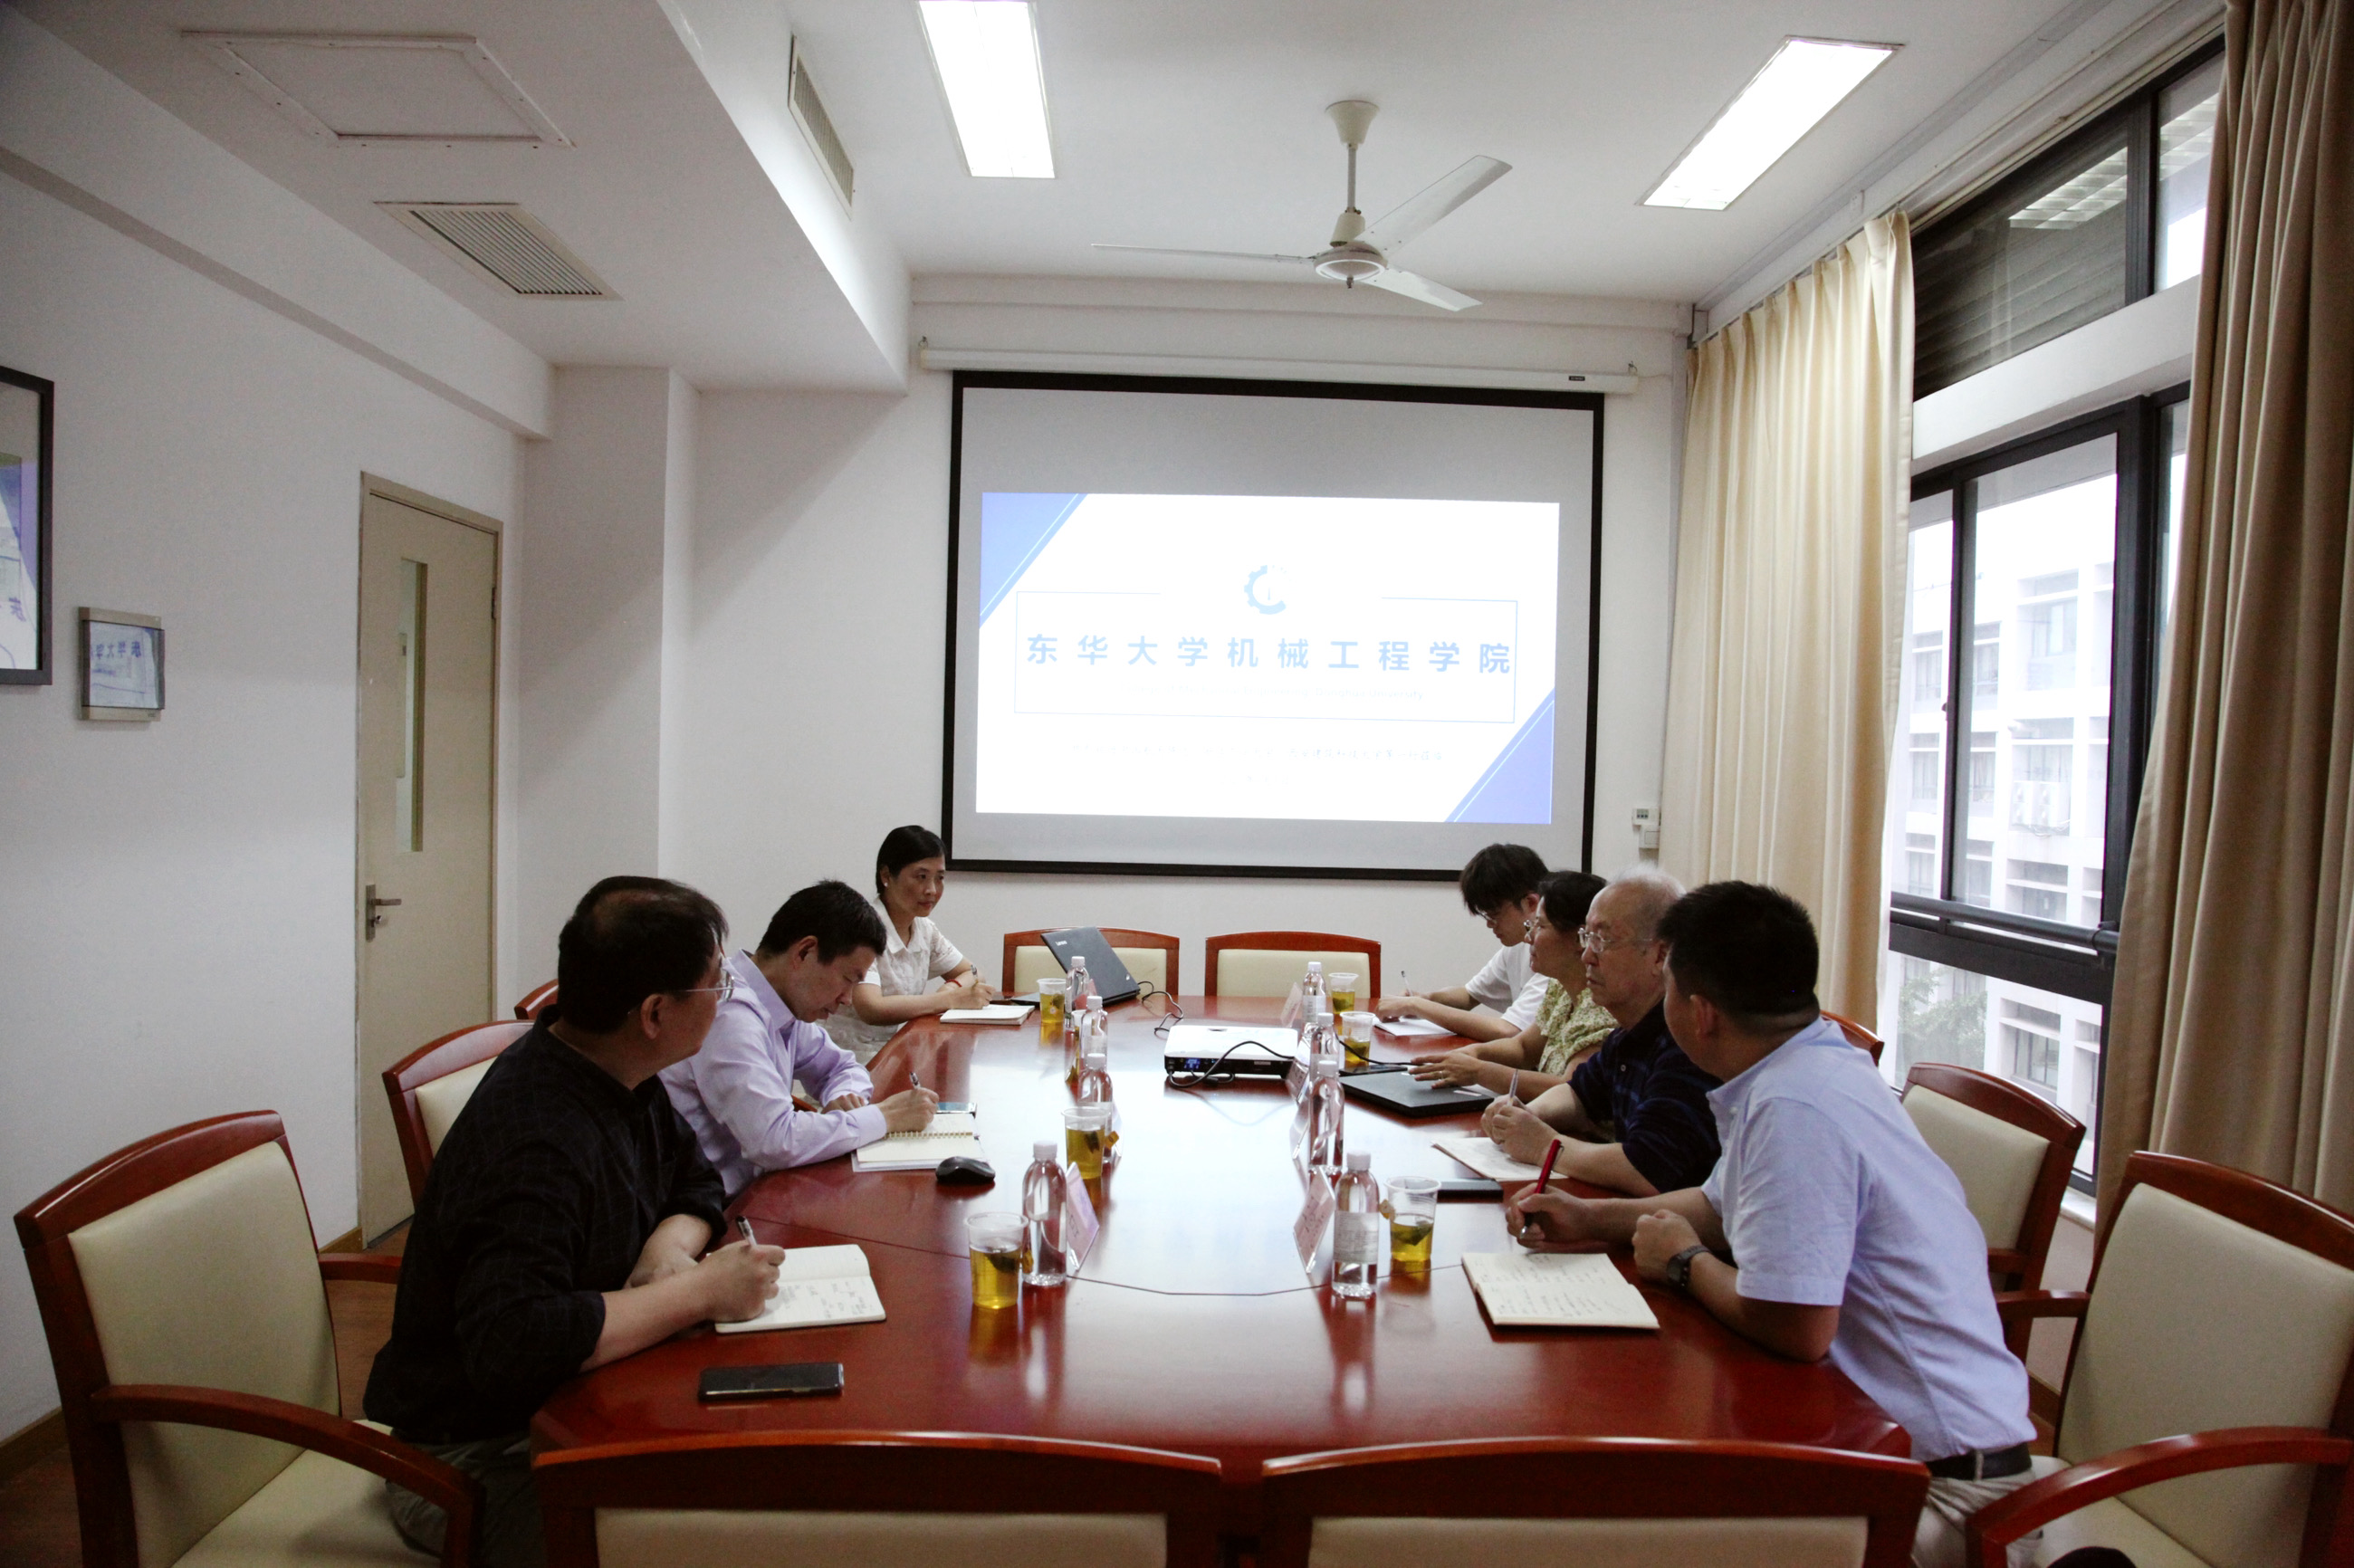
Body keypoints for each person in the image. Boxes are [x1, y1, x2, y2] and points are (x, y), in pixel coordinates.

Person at [1511, 882, 2037, 1568]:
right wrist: (1591, 1217)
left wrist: (1684, 1263)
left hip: (1940, 1489)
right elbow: (1715, 1205)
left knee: (1635, 1532)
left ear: (1700, 1013)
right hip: (1872, 1439)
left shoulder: (1796, 1107)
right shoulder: (1804, 1063)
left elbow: (1796, 1326)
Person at [364, 876, 785, 1567]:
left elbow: (695, 1179)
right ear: (655, 1013)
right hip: (474, 1464)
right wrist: (698, 1292)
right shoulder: (535, 1136)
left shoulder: (619, 1071)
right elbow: (516, 1342)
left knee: (762, 1481)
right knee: (728, 1537)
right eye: (717, 985)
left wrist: (665, 1252)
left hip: (578, 1402)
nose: (726, 998)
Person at [663, 879, 938, 1193]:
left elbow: (843, 1067)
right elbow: (775, 1141)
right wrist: (885, 1116)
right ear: (805, 952)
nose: (848, 999)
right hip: (716, 1206)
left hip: (761, 1189)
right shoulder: (731, 1015)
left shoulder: (782, 1005)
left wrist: (845, 1096)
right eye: (848, 979)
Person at [1478, 869, 1720, 1196]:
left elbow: (1645, 1169)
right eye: (1586, 938)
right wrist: (1524, 1113)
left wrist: (1545, 1145)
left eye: (1603, 941)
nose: (1587, 956)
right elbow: (1580, 1094)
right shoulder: (1629, 1033)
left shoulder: (1687, 1043)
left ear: (1660, 956)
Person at [1406, 869, 1617, 1096]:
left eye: (1540, 927)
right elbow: (1522, 1048)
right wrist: (1474, 1053)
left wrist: (1479, 1071)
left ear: (1580, 937)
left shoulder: (1603, 1007)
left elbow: (1571, 1090)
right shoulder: (1560, 990)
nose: (1528, 937)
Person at [823, 825, 993, 1062]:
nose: (932, 890)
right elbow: (871, 1008)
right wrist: (948, 1000)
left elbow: (974, 973)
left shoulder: (924, 929)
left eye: (940, 878)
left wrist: (951, 988)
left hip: (901, 1051)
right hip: (852, 1058)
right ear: (886, 876)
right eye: (921, 877)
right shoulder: (861, 927)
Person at [1373, 843, 1553, 1041]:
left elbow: (1508, 1031)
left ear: (1531, 903)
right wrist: (1426, 998)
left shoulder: (1558, 952)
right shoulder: (1519, 944)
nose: (1489, 924)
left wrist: (1416, 1006)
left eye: (1494, 914)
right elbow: (1469, 995)